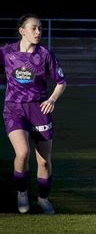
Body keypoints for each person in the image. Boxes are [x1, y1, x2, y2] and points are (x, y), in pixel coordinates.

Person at [0, 14, 66, 214]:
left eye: (40, 29)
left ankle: (43, 198)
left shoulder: (45, 54)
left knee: (44, 161)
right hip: (14, 108)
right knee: (22, 153)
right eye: (34, 28)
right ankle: (22, 193)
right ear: (22, 31)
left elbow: (62, 82)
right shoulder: (6, 52)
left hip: (39, 109)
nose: (38, 32)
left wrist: (52, 99)